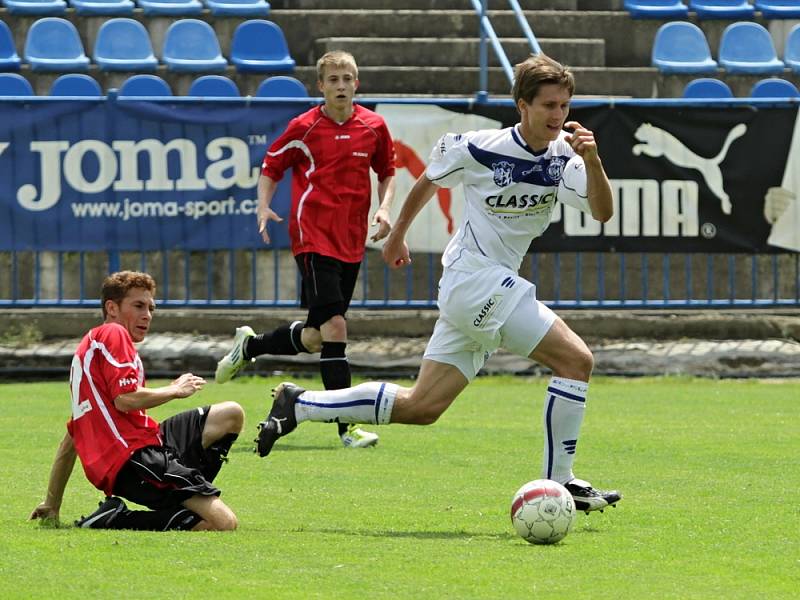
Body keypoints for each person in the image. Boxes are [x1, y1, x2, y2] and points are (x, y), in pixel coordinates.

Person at [253, 54, 622, 514]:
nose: (558, 116)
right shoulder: (481, 146)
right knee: (576, 360)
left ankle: (300, 403)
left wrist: (593, 159)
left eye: (564, 106)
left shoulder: (565, 157)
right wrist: (399, 235)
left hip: (488, 287)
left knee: (421, 407)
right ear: (522, 105)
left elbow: (603, 211)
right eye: (548, 105)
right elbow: (429, 180)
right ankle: (561, 482)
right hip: (475, 280)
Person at [215, 50, 396, 449]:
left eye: (348, 78)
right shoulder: (305, 127)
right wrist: (263, 205)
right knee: (337, 328)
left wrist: (384, 207)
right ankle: (347, 427)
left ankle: (252, 346)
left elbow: (387, 171)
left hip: (350, 240)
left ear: (357, 82)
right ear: (321, 86)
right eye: (333, 80)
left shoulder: (374, 126)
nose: (342, 86)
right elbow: (272, 165)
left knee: (317, 337)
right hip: (312, 235)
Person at [30, 271, 242, 531]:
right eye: (138, 306)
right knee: (224, 524)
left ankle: (185, 495)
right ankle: (115, 519)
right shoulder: (113, 333)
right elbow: (126, 399)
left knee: (231, 414)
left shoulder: (91, 352)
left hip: (145, 445)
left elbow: (71, 439)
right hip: (133, 459)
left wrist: (52, 503)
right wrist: (175, 389)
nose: (147, 315)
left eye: (151, 308)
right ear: (112, 308)